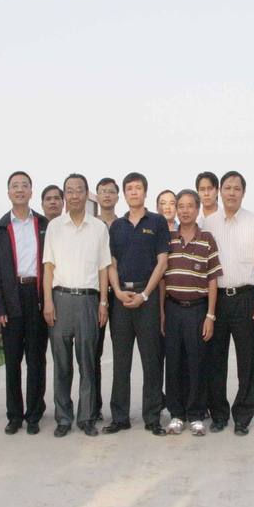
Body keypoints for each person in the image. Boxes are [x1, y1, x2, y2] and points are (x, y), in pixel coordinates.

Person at [203, 171, 254, 436]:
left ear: (243, 193)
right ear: (220, 192)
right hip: (217, 300)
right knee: (215, 360)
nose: (231, 192)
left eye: (237, 188)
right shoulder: (208, 223)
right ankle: (219, 414)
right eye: (227, 188)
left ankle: (243, 416)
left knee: (247, 361)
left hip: (246, 298)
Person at [43, 173, 111, 437]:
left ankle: (86, 417)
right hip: (60, 300)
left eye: (79, 190)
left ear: (86, 194)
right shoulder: (55, 227)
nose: (74, 195)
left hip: (88, 301)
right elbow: (48, 267)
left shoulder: (99, 228)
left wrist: (103, 302)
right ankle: (63, 418)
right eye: (69, 191)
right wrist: (48, 301)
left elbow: (104, 268)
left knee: (88, 363)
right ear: (64, 196)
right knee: (61, 364)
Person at [104, 172, 170, 436]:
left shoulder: (156, 222)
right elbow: (111, 263)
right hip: (121, 298)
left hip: (147, 298)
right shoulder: (116, 227)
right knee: (121, 362)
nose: (134, 192)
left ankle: (152, 418)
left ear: (145, 192)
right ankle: (120, 417)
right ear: (124, 194)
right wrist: (118, 292)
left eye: (138, 188)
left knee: (151, 361)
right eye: (129, 188)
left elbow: (162, 262)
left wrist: (145, 294)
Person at [0, 171, 49, 436]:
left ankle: (34, 414)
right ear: (9, 193)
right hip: (12, 298)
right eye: (15, 186)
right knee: (12, 361)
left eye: (25, 185)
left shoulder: (44, 225)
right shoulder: (0, 229)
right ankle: (14, 415)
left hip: (37, 296)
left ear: (31, 192)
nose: (20, 189)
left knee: (36, 360)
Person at [163, 189, 222, 437]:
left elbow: (213, 279)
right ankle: (177, 414)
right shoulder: (168, 239)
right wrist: (162, 313)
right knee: (174, 363)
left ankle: (197, 415)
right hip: (172, 309)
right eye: (181, 206)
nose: (185, 210)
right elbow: (162, 278)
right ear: (176, 210)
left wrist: (210, 316)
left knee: (197, 363)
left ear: (197, 210)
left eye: (190, 206)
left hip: (197, 310)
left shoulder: (207, 239)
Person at [93, 177, 120, 420]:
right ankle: (94, 406)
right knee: (94, 353)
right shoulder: (91, 225)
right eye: (103, 191)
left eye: (111, 191)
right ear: (97, 196)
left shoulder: (123, 225)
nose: (107, 195)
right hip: (96, 295)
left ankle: (119, 408)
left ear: (117, 197)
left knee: (121, 353)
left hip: (120, 295)